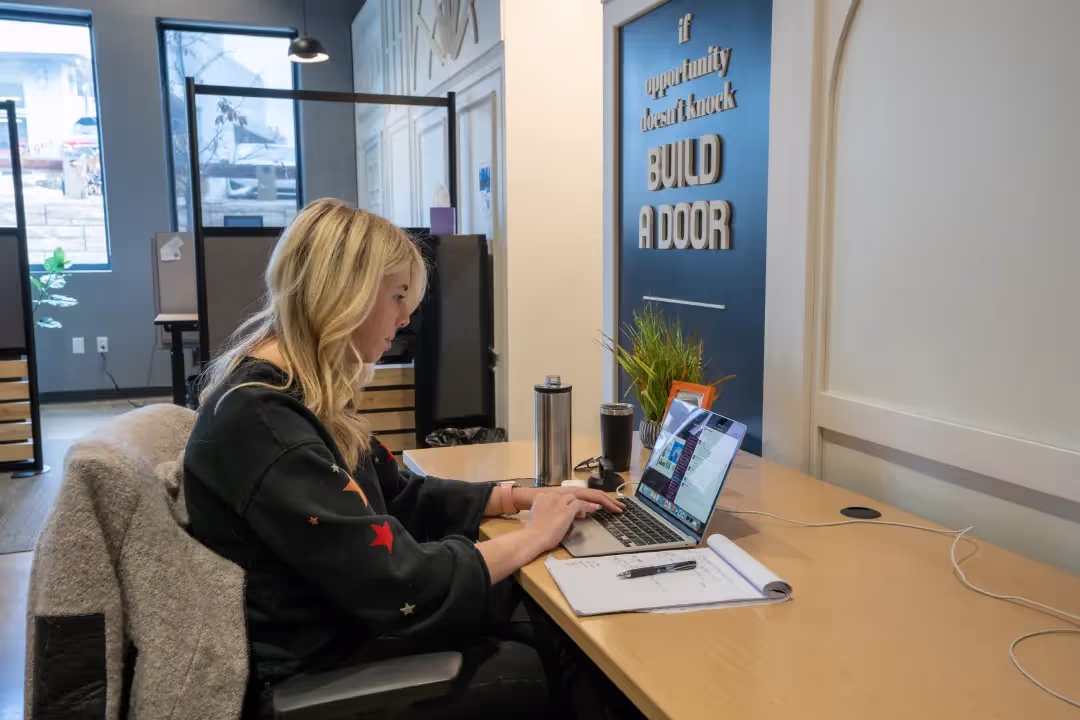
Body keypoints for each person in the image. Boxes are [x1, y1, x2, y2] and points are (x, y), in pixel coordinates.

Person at [183, 198, 626, 718]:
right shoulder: (266, 424)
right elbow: (399, 580)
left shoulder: (299, 395)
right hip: (319, 664)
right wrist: (535, 535)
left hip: (346, 620)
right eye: (396, 296)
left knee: (548, 621)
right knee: (540, 665)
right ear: (342, 297)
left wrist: (520, 496)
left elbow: (399, 493)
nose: (406, 315)